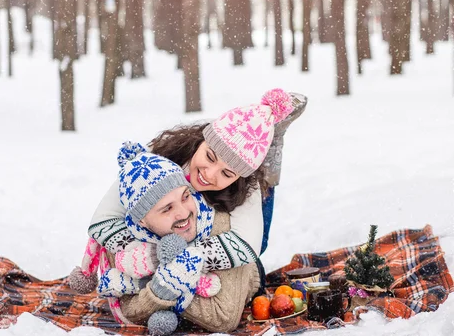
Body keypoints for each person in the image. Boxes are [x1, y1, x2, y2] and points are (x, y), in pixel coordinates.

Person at [88, 89, 307, 269]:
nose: (209, 174)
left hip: (243, 187)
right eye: (209, 157)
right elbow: (102, 221)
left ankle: (271, 144)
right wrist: (150, 254)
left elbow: (248, 246)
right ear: (201, 141)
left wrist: (179, 258)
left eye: (226, 173)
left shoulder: (245, 183)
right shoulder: (156, 157)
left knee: (259, 251)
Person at [70, 146, 260, 335]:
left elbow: (223, 317)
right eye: (167, 209)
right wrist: (164, 284)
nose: (184, 213)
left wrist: (151, 285)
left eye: (186, 197)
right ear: (141, 221)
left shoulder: (218, 225)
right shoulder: (125, 242)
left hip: (247, 272)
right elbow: (129, 311)